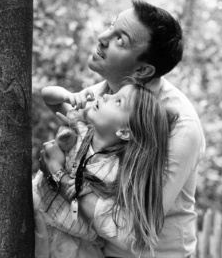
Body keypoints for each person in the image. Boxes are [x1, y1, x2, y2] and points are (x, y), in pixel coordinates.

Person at [40, 0, 206, 257]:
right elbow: (63, 112)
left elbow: (134, 232)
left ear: (142, 69)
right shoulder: (103, 94)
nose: (102, 37)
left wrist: (58, 177)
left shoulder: (179, 125)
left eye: (121, 40)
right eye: (111, 26)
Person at [33, 81, 175, 258]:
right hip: (36, 211)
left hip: (74, 245)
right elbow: (47, 96)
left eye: (118, 102)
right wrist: (67, 95)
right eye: (115, 94)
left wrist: (93, 190)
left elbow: (114, 210)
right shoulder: (80, 129)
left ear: (124, 132)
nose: (107, 95)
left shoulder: (117, 170)